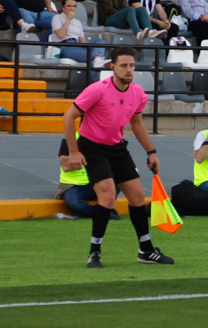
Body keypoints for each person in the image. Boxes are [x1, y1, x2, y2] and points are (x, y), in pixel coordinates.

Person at [61, 47, 174, 268]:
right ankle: (94, 253)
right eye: (123, 65)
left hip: (117, 148)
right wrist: (74, 152)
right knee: (108, 196)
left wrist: (151, 152)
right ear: (112, 67)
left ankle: (146, 250)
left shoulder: (138, 93)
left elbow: (137, 123)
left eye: (131, 65)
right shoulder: (97, 90)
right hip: (92, 147)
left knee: (138, 197)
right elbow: (68, 117)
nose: (128, 69)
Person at [57, 129, 121, 219]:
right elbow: (65, 166)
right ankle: (102, 212)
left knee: (121, 180)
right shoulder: (71, 139)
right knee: (73, 203)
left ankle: (104, 210)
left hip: (98, 181)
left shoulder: (107, 139)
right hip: (74, 185)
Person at [51, 0, 107, 66]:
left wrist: (84, 44)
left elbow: (82, 40)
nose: (72, 8)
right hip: (65, 46)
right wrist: (68, 19)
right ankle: (98, 59)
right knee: (93, 57)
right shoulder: (57, 18)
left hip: (77, 45)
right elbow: (61, 35)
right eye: (69, 6)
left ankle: (97, 58)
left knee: (101, 42)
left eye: (74, 6)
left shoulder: (77, 22)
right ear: (63, 7)